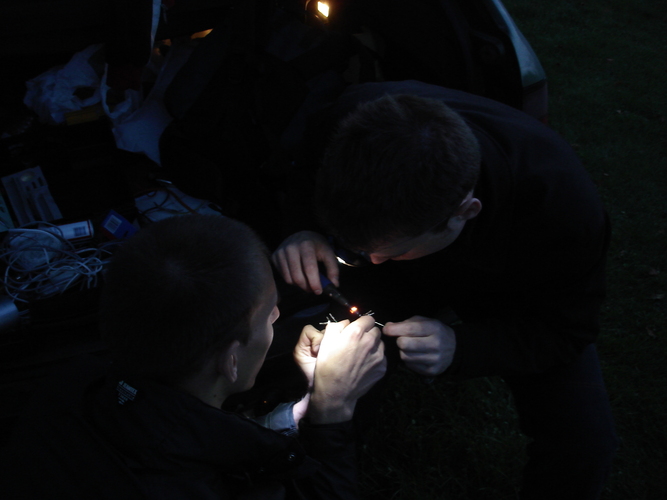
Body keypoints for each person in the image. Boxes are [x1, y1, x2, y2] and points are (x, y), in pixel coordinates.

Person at [272, 80, 618, 499]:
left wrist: (462, 347)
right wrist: (302, 229)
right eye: (357, 249)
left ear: (464, 213)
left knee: (584, 442)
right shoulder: (355, 121)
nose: (367, 261)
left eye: (385, 251)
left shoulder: (561, 212)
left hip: (517, 295)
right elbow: (301, 172)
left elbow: (566, 329)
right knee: (330, 367)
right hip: (410, 254)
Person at [3, 214, 386, 499]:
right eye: (270, 312)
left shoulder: (71, 380)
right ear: (231, 361)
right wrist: (332, 411)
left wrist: (290, 414)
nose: (277, 316)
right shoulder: (194, 488)